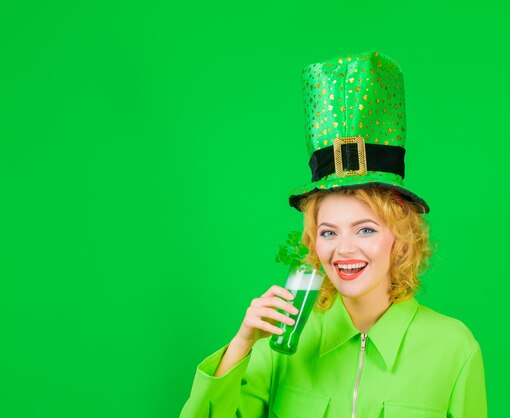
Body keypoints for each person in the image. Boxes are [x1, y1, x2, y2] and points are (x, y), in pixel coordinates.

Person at [180, 51, 487, 418]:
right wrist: (243, 343)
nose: (344, 249)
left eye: (366, 229)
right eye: (328, 232)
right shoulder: (282, 340)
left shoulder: (453, 347)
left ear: (401, 239)